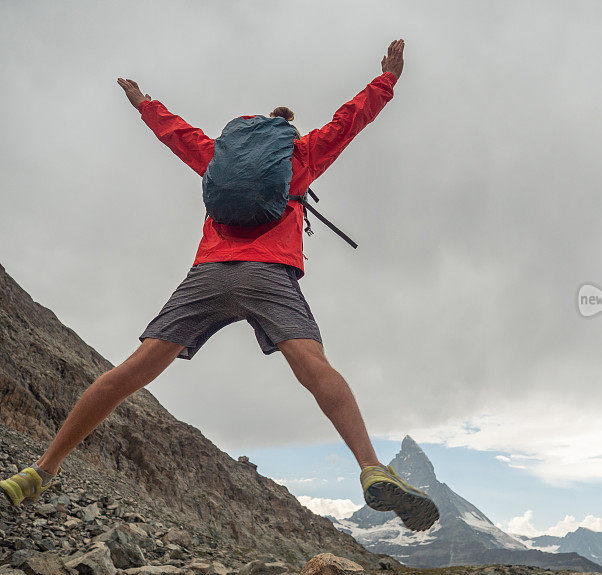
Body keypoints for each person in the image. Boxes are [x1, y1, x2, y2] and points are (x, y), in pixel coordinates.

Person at [1, 39, 439, 532]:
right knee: (314, 367)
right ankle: (371, 468)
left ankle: (41, 469)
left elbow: (176, 133)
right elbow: (350, 120)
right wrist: (387, 80)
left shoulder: (215, 156)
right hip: (268, 273)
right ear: (285, 130)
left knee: (132, 370)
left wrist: (144, 102)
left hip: (209, 273)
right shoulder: (302, 153)